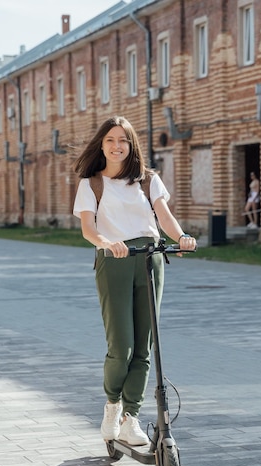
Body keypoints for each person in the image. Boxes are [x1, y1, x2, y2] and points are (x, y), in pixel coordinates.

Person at [73, 116, 196, 446]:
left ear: (131, 145)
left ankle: (131, 417)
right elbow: (88, 228)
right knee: (122, 346)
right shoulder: (92, 183)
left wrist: (181, 236)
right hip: (114, 261)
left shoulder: (147, 180)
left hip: (150, 260)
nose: (117, 146)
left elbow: (164, 216)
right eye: (111, 139)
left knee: (144, 345)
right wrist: (105, 243)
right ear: (102, 144)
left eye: (123, 140)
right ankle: (112, 405)